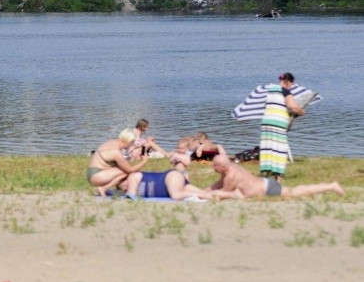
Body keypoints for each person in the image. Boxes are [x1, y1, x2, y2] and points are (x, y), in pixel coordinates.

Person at [207, 154, 344, 200]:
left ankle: (331, 186)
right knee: (294, 191)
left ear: (223, 167)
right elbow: (218, 185)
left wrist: (203, 196)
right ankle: (327, 187)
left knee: (294, 193)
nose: (213, 168)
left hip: (267, 189)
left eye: (215, 166)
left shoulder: (231, 175)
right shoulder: (231, 169)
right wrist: (203, 190)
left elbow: (223, 192)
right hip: (265, 183)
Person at [259, 72, 305, 180]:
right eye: (291, 84)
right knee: (279, 148)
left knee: (268, 147)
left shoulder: (269, 91)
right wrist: (301, 111)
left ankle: (266, 172)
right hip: (278, 123)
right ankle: (278, 175)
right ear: (288, 82)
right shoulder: (285, 91)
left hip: (266, 122)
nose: (291, 87)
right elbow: (292, 106)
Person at [87, 129, 149, 196]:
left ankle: (119, 188)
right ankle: (104, 188)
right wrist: (144, 161)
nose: (132, 145)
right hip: (97, 176)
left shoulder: (112, 142)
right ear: (129, 141)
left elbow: (111, 161)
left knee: (123, 169)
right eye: (132, 142)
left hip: (93, 173)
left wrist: (129, 159)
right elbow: (130, 170)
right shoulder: (116, 152)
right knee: (127, 171)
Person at [124, 169, 212, 200]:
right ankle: (221, 195)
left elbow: (130, 195)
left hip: (170, 177)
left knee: (176, 195)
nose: (124, 187)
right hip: (171, 183)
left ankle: (207, 196)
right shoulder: (132, 184)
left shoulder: (133, 177)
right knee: (205, 193)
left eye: (122, 184)